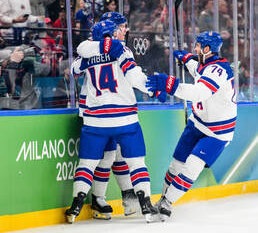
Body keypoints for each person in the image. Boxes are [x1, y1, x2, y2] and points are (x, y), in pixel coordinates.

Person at [66, 20, 158, 224]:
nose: (120, 33)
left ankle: (77, 203)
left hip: (96, 121)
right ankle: (144, 202)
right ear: (109, 35)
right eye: (116, 31)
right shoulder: (121, 50)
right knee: (136, 162)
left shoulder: (87, 53)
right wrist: (152, 88)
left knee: (88, 163)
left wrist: (91, 49)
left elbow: (73, 70)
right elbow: (134, 77)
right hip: (124, 118)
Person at [146, 31, 237, 221]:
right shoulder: (206, 64)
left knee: (191, 167)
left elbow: (199, 92)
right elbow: (197, 69)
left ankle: (167, 202)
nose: (194, 48)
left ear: (206, 49)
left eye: (197, 46)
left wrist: (171, 85)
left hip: (217, 132)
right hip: (197, 123)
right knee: (175, 165)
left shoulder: (219, 71)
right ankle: (162, 198)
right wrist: (186, 58)